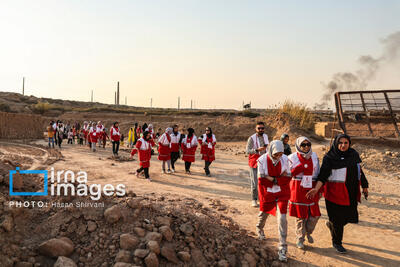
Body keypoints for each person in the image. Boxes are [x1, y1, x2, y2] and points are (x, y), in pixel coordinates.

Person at [306, 134, 369, 254]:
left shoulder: (353, 155)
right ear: (336, 143)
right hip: (334, 193)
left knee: (348, 217)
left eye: (346, 143)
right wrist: (316, 189)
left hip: (350, 192)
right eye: (340, 143)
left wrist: (365, 186)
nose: (343, 145)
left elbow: (359, 171)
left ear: (349, 143)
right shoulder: (330, 158)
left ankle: (332, 225)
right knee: (338, 220)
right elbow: (323, 176)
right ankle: (337, 242)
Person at [256, 140, 291, 262]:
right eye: (276, 154)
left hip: (282, 192)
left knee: (282, 218)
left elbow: (288, 178)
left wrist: (272, 179)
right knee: (264, 212)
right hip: (267, 191)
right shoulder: (262, 160)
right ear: (271, 151)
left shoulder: (286, 159)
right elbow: (262, 181)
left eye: (280, 154)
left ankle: (282, 248)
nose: (278, 157)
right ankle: (259, 227)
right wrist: (279, 178)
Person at [288, 137, 321, 249]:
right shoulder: (292, 158)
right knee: (300, 215)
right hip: (298, 188)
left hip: (312, 187)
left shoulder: (315, 157)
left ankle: (308, 232)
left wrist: (319, 189)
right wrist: (299, 167)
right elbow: (287, 174)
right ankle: (300, 238)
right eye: (303, 145)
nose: (306, 147)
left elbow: (318, 173)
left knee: (315, 215)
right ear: (298, 146)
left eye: (308, 144)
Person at [246, 122, 269, 207]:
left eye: (262, 128)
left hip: (264, 162)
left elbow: (267, 148)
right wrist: (256, 150)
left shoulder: (266, 137)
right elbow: (247, 150)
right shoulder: (251, 138)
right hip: (254, 162)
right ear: (256, 129)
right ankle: (254, 199)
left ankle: (262, 198)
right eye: (259, 128)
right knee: (255, 182)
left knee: (264, 182)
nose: (260, 130)